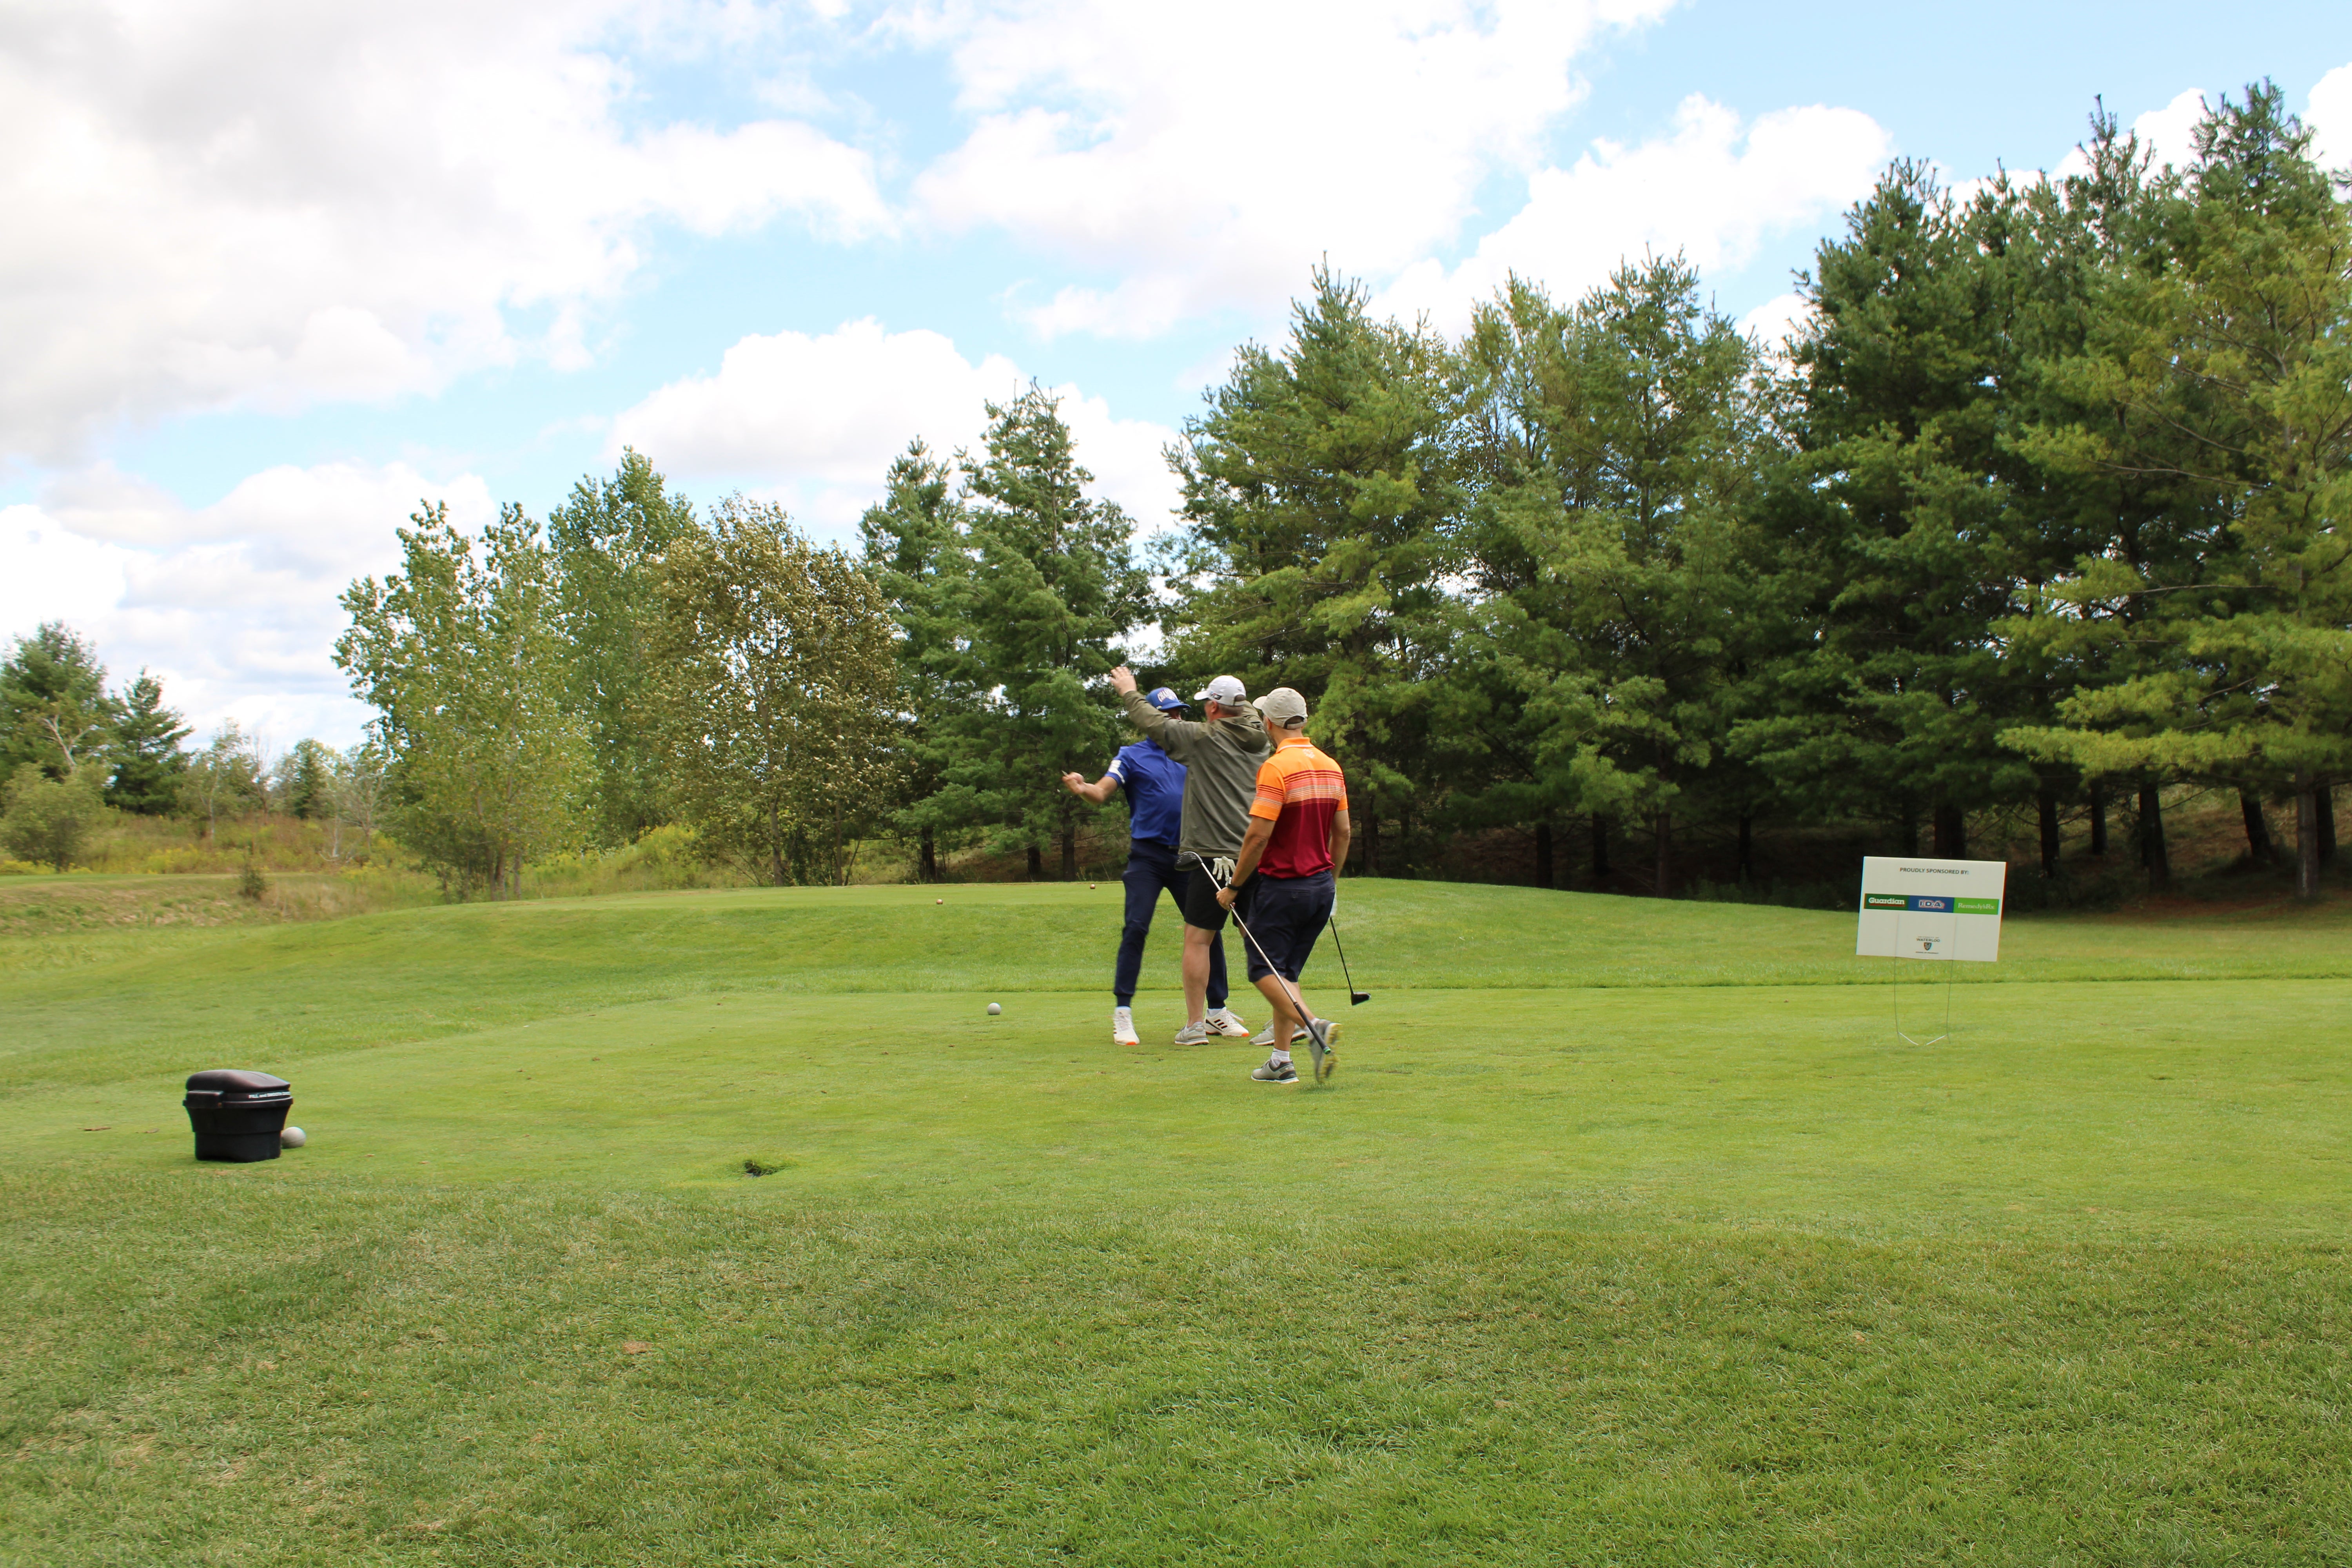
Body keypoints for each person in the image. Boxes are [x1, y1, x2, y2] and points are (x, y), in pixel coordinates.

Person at [1060, 688, 1249, 1046]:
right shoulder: (1131, 756)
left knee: (1208, 931)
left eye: (1179, 713)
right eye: (1170, 714)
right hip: (1148, 856)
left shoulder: (1192, 752)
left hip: (1191, 856)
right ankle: (1123, 1013)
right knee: (1136, 927)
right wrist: (1083, 788)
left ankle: (1216, 1012)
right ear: (1153, 719)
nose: (1176, 719)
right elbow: (1102, 792)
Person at [1109, 664, 1272, 1044]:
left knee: (1198, 938)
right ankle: (1286, 1015)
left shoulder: (1204, 738)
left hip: (1212, 856)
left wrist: (1129, 691)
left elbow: (1156, 724)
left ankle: (1196, 1024)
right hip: (1251, 853)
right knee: (1259, 938)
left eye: (1205, 705)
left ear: (1215, 707)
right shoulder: (1262, 736)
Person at [1216, 686, 1350, 1083]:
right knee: (1285, 973)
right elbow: (1342, 833)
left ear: (1268, 722)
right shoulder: (1331, 765)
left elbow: (1257, 837)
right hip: (1320, 889)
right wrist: (1331, 881)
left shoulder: (1276, 767)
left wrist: (1234, 888)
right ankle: (1280, 1061)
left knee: (1263, 970)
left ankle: (1313, 1026)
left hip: (1283, 887)